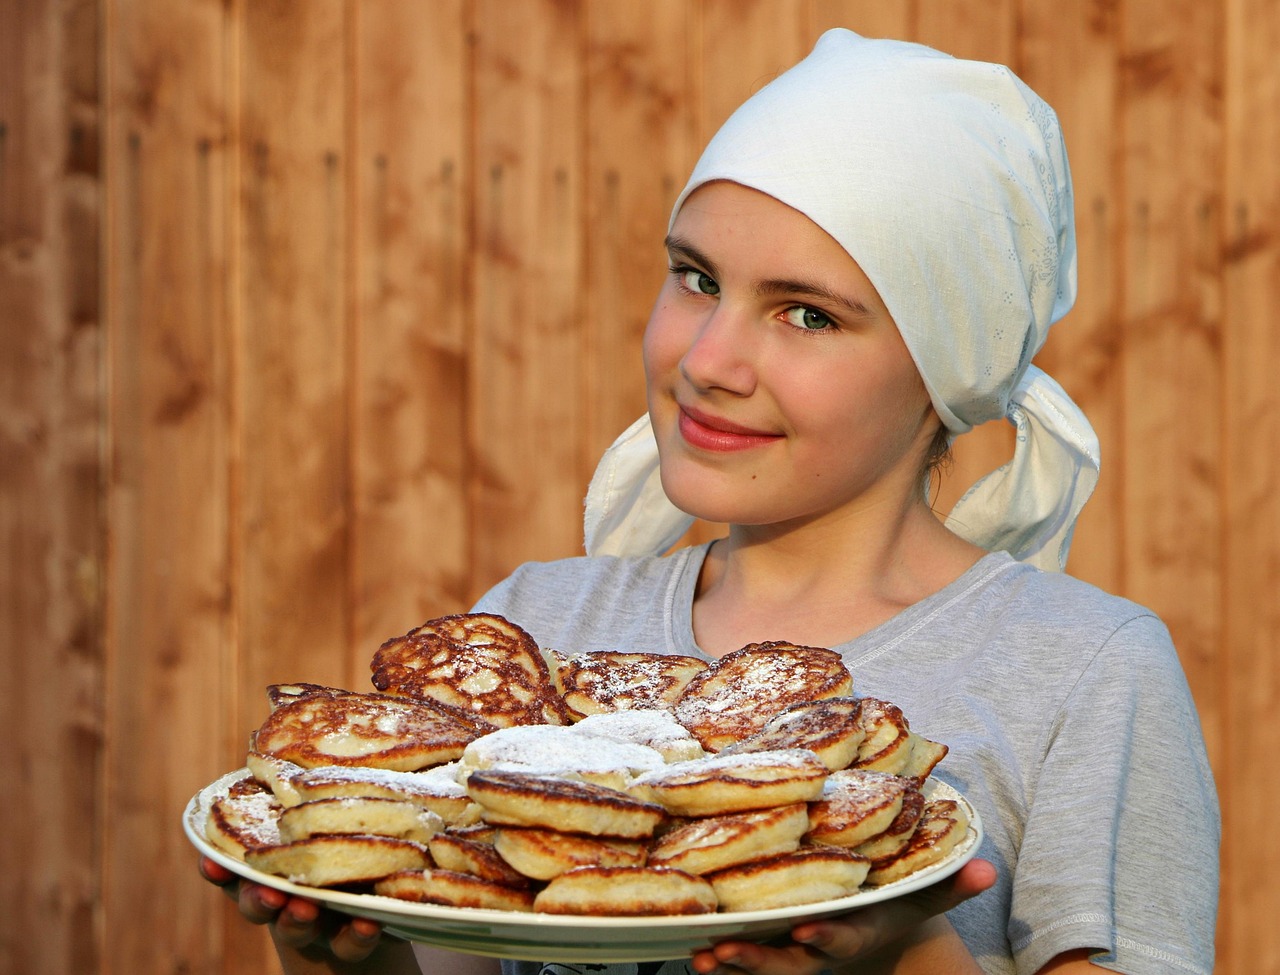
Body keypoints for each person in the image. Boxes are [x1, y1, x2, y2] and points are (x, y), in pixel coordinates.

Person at [200, 28, 1219, 975]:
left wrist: (897, 957)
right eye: (694, 278)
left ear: (943, 365)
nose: (707, 359)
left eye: (806, 314)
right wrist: (348, 954)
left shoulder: (1080, 672)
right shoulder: (535, 630)